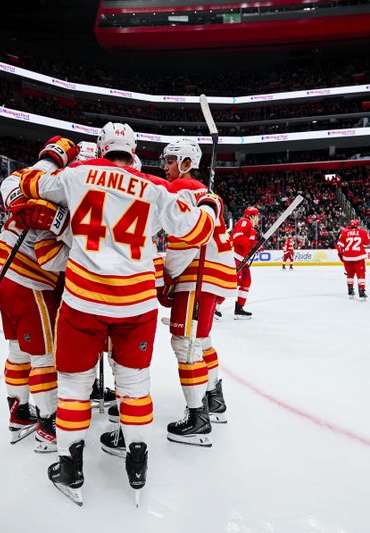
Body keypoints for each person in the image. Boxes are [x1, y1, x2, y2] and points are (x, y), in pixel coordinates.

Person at [14, 124, 218, 505]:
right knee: (134, 386)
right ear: (134, 150)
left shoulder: (75, 175)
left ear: (103, 147)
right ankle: (136, 464)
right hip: (136, 304)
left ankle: (70, 469)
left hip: (83, 301)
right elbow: (198, 232)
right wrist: (209, 203)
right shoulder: (156, 188)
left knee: (74, 388)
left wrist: (47, 164)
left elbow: (28, 184)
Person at [0, 156, 63, 453]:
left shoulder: (42, 177)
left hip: (1, 275)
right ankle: (49, 425)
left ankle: (19, 413)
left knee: (18, 350)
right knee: (43, 355)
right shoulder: (64, 183)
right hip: (28, 278)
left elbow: (12, 183)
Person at [156, 138, 235, 445]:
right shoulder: (203, 191)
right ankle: (214, 400)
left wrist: (167, 278)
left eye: (171, 161)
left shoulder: (180, 189)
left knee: (185, 344)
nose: (165, 167)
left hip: (195, 275)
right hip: (212, 275)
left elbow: (184, 240)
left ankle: (198, 418)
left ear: (187, 163)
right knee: (201, 340)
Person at [231, 206, 259, 319]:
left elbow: (249, 244)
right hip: (235, 258)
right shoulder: (245, 222)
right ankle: (215, 306)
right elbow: (237, 237)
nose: (258, 218)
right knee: (231, 282)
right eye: (257, 216)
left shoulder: (252, 228)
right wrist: (251, 244)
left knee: (246, 281)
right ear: (252, 216)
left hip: (243, 259)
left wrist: (256, 247)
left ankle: (239, 308)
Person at [336, 219, 370, 300]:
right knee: (361, 274)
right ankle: (361, 291)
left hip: (347, 257)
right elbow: (366, 243)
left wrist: (341, 256)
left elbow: (339, 246)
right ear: (358, 225)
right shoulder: (363, 232)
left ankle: (350, 290)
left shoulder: (344, 233)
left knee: (350, 274)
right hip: (359, 256)